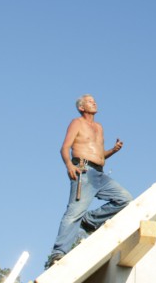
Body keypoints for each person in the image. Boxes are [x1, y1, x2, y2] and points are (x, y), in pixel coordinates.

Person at [47, 94, 132, 267]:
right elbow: (64, 147)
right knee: (73, 212)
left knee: (125, 199)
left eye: (94, 100)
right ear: (82, 107)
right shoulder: (77, 123)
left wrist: (113, 150)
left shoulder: (99, 127)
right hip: (83, 171)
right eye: (89, 101)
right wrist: (69, 165)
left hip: (100, 174)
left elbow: (100, 155)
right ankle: (58, 253)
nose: (94, 102)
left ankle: (90, 221)